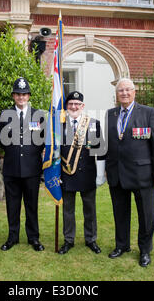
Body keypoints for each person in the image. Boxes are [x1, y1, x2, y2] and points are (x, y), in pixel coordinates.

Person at [104, 78, 154, 267]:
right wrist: (105, 169)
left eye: (127, 90)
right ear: (117, 94)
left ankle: (145, 250)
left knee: (146, 215)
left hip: (142, 174)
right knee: (120, 213)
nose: (124, 93)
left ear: (134, 92)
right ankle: (122, 245)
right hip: (117, 174)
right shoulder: (111, 114)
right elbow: (108, 144)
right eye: (120, 90)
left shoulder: (148, 113)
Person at [0, 77, 45, 252]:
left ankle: (34, 238)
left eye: (24, 94)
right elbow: (4, 141)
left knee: (31, 205)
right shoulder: (5, 115)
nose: (21, 97)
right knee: (12, 205)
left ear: (29, 96)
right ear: (13, 96)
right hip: (12, 168)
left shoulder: (38, 115)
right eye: (18, 94)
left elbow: (41, 141)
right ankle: (13, 237)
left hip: (32, 168)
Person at [58, 91, 106, 255]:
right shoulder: (59, 124)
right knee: (68, 210)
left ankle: (91, 239)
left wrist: (100, 175)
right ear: (66, 106)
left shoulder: (92, 123)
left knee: (89, 209)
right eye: (71, 104)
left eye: (77, 104)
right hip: (66, 174)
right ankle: (68, 240)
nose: (74, 107)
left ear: (82, 106)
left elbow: (100, 150)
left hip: (87, 174)